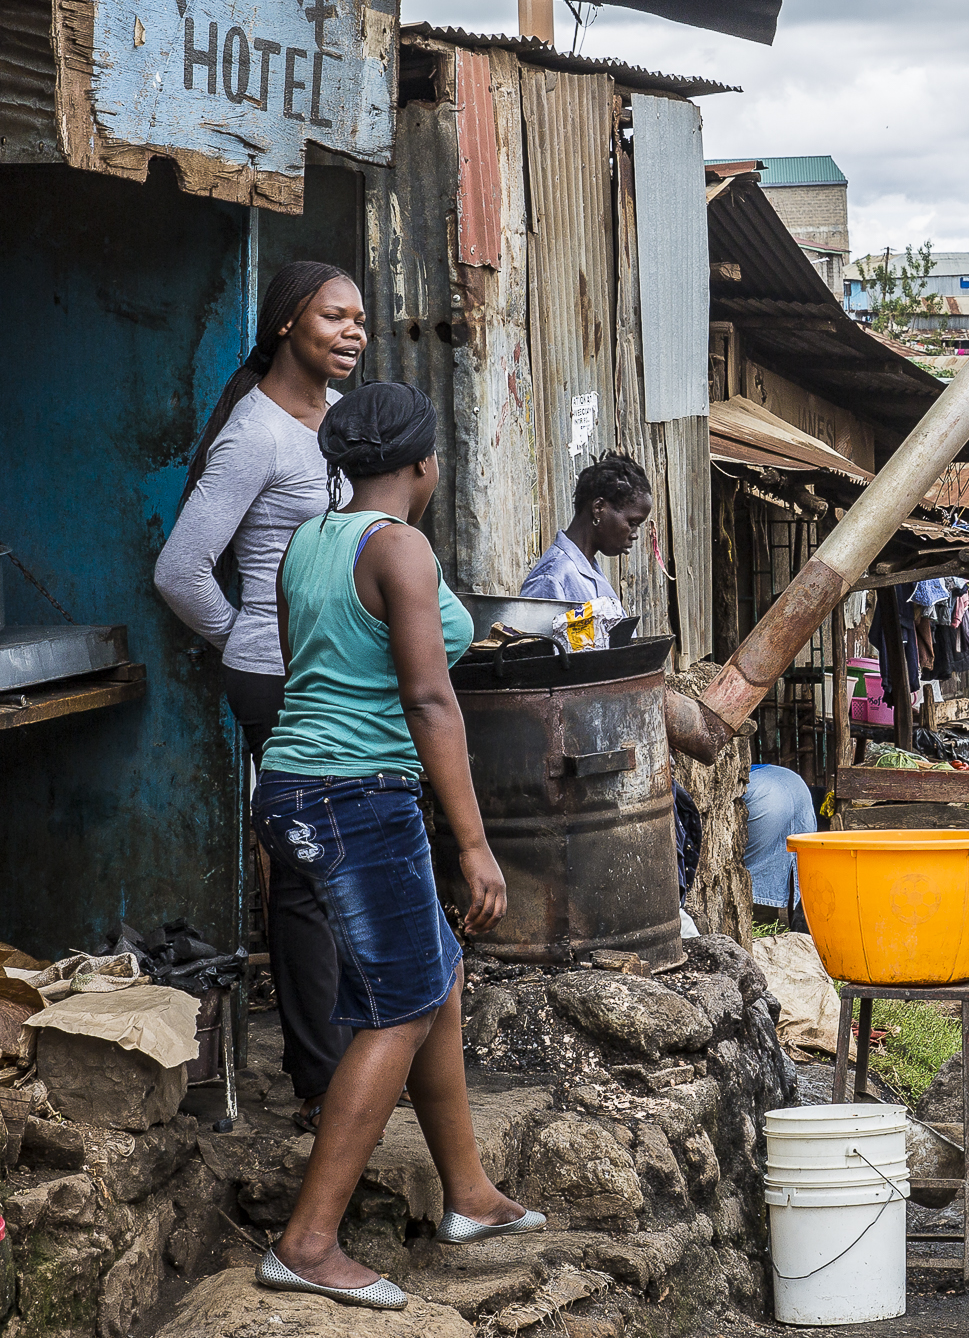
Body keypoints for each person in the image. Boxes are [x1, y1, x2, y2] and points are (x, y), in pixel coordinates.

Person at [250, 383, 536, 1308]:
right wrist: (474, 844)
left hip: (291, 782)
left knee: (433, 973)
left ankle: (470, 1196)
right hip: (356, 796)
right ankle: (306, 1244)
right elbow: (427, 698)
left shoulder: (307, 541)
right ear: (423, 463)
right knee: (402, 1006)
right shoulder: (400, 547)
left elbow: (307, 666)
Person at [153, 261, 360, 1132]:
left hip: (334, 673)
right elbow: (179, 570)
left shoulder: (339, 419)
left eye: (358, 319)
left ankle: (351, 1057)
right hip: (278, 677)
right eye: (334, 317)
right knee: (307, 875)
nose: (353, 332)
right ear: (285, 324)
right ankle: (320, 1081)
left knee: (344, 862)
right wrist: (247, 634)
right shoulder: (256, 435)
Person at [519, 453, 654, 626]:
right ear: (598, 508)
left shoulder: (592, 575)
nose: (634, 534)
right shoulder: (551, 577)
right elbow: (531, 642)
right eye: (632, 523)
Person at [741, 765, 819, 924]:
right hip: (795, 783)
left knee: (753, 867)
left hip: (761, 791)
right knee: (797, 864)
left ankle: (761, 923)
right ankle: (798, 926)